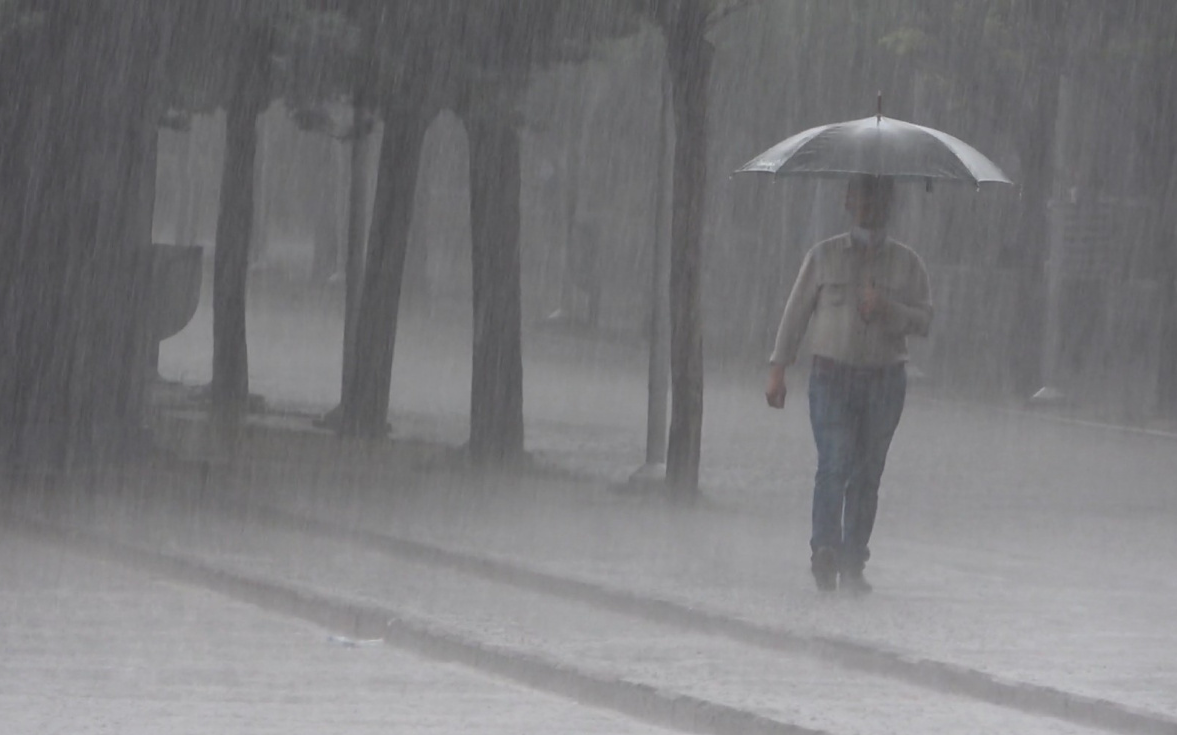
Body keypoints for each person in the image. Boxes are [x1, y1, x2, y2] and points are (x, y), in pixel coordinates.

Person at [765, 174, 932, 593]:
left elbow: (924, 319)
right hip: (831, 376)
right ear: (847, 201)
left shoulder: (907, 263)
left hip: (884, 379)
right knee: (834, 463)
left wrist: (887, 308)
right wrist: (778, 368)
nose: (868, 205)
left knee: (867, 473)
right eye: (860, 195)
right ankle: (825, 548)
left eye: (877, 196)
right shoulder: (823, 257)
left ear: (890, 203)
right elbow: (796, 313)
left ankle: (854, 559)